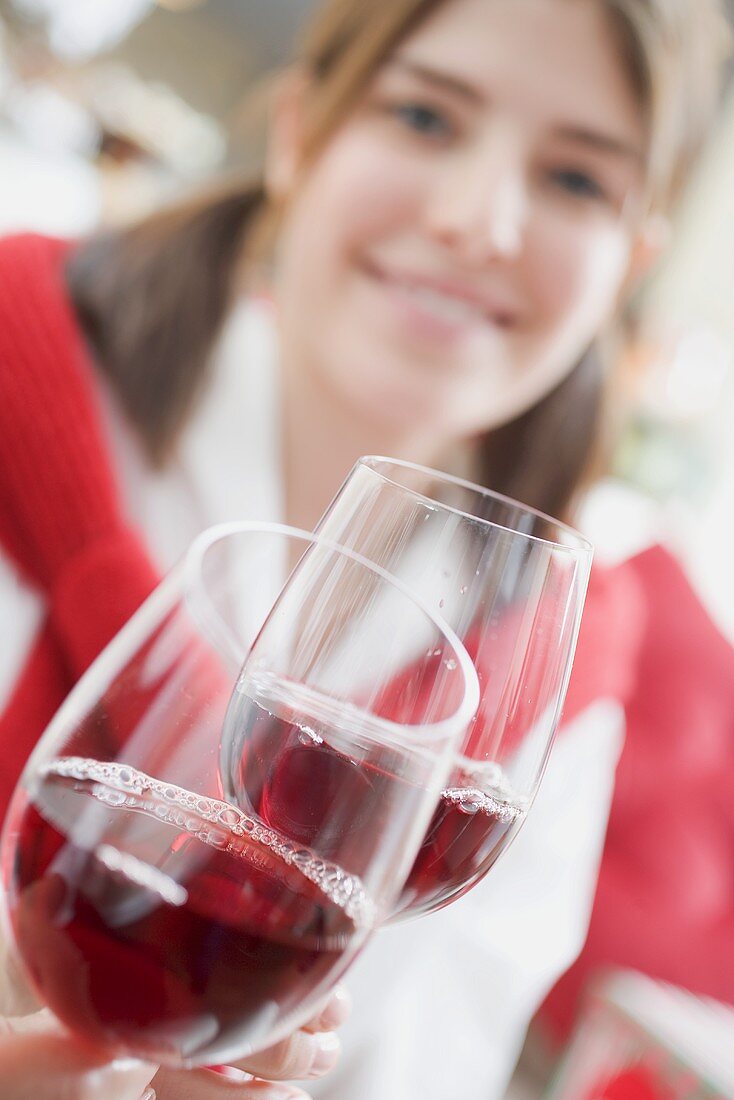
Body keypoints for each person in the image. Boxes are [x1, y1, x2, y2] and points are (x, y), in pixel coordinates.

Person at [0, 0, 728, 1096]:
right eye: (426, 118)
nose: (477, 221)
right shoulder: (17, 369)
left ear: (626, 266)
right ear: (299, 134)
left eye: (575, 179)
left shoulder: (552, 679)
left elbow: (428, 1068)